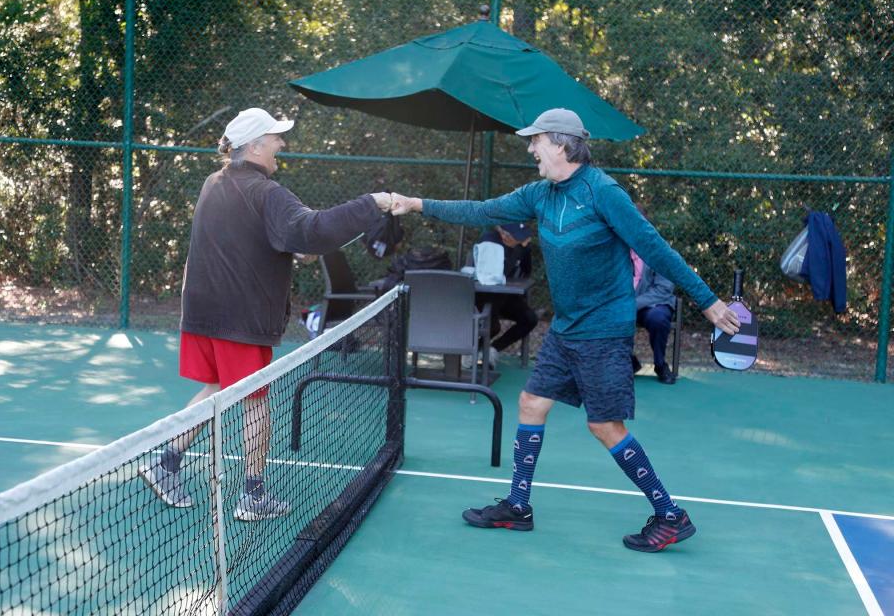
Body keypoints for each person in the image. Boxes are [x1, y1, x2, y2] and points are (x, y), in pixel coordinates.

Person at [390, 108, 740, 552]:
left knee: (604, 426)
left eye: (535, 140)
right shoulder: (541, 194)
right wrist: (417, 203)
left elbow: (655, 248)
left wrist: (708, 301)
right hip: (567, 328)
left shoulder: (604, 193)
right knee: (532, 402)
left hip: (603, 329)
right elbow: (482, 209)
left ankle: (670, 514)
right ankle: (518, 507)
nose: (530, 147)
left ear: (560, 143)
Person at [139, 107, 392, 520]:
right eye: (275, 137)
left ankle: (165, 462)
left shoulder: (213, 183)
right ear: (254, 146)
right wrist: (372, 204)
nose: (282, 144)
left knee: (220, 389)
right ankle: (252, 496)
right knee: (256, 402)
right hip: (239, 316)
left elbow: (248, 237)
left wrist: (293, 246)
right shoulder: (267, 192)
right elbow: (311, 230)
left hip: (204, 308)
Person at [465, 223, 538, 369]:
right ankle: (470, 352)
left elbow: (525, 272)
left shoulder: (522, 247)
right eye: (516, 235)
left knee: (529, 319)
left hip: (507, 296)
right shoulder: (489, 242)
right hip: (482, 296)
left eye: (523, 235)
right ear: (503, 232)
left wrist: (523, 248)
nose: (521, 239)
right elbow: (488, 277)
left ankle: (493, 350)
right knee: (492, 327)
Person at [631, 249, 678, 384]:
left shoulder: (659, 252)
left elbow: (663, 289)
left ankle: (660, 365)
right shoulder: (617, 252)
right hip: (626, 304)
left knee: (658, 319)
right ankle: (629, 361)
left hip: (656, 304)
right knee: (610, 316)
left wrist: (632, 304)